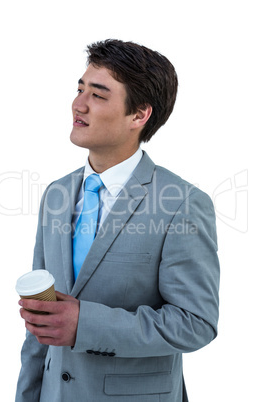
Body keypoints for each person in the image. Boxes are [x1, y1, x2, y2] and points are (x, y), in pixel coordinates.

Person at [16, 39, 220, 402]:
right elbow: (40, 321)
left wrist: (86, 324)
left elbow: (196, 323)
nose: (78, 104)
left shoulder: (182, 203)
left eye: (98, 94)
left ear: (139, 115)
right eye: (80, 89)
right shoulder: (56, 194)